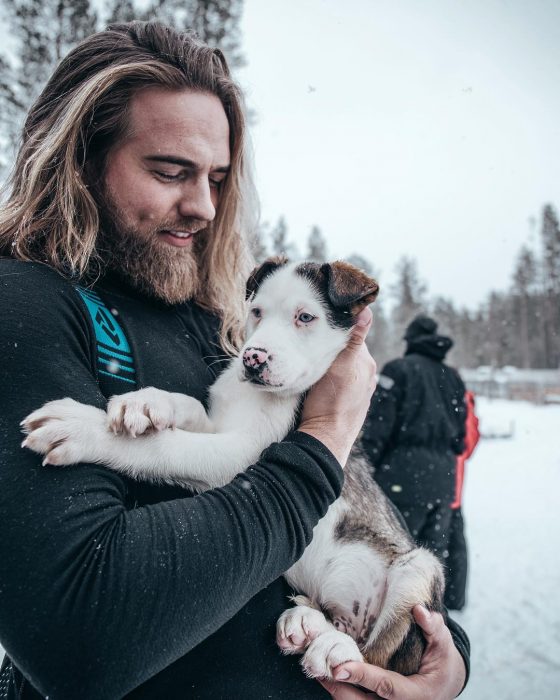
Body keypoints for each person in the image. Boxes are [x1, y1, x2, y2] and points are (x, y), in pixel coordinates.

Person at [0, 22, 468, 699]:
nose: (203, 206)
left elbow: (357, 536)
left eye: (218, 178)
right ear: (80, 160)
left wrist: (443, 664)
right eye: (170, 172)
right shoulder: (26, 304)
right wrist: (322, 440)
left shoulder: (220, 322)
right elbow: (83, 639)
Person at [361, 315, 467, 596]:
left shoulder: (398, 370)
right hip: (443, 483)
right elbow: (460, 439)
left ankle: (390, 628)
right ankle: (429, 623)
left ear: (409, 341)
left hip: (401, 479)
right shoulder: (453, 377)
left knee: (391, 558)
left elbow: (378, 426)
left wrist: (365, 466)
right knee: (432, 564)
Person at [445, 390, 480, 611]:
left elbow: (467, 443)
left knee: (448, 541)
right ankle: (454, 597)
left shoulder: (458, 397)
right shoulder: (461, 396)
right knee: (454, 541)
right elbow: (470, 442)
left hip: (447, 482)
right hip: (449, 482)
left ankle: (451, 598)